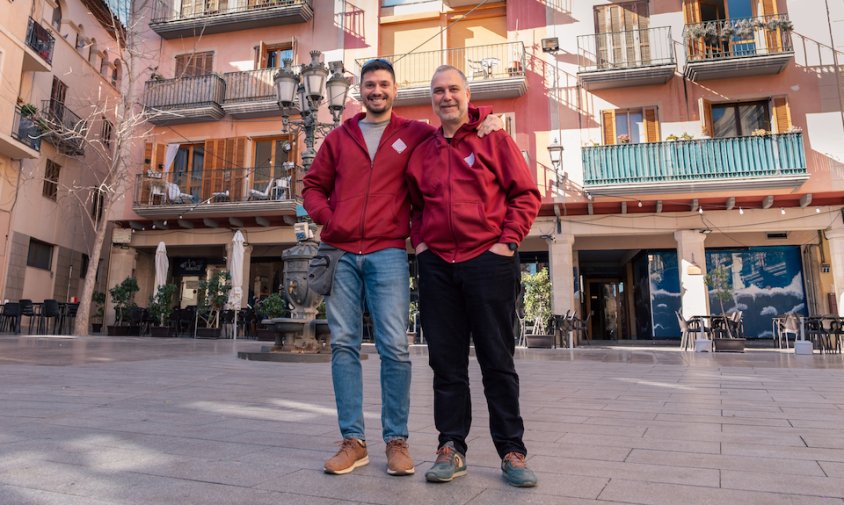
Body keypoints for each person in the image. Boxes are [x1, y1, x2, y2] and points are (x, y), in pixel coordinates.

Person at [302, 59, 501, 477]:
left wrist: (485, 120)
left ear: (395, 90)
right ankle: (353, 442)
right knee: (342, 345)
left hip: (389, 251)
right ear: (360, 90)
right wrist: (328, 218)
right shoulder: (339, 139)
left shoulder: (415, 134)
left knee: (395, 346)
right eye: (370, 84)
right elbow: (313, 186)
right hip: (338, 252)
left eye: (384, 84)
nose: (377, 90)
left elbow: (456, 126)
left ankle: (397, 440)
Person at [406, 65, 542, 488]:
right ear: (431, 99)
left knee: (497, 362)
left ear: (468, 95)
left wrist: (508, 242)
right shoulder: (423, 149)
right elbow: (412, 205)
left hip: (488, 260)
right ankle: (451, 446)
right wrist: (421, 242)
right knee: (445, 364)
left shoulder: (494, 138)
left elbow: (525, 194)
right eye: (438, 91)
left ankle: (512, 451)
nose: (446, 97)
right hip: (438, 266)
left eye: (453, 89)